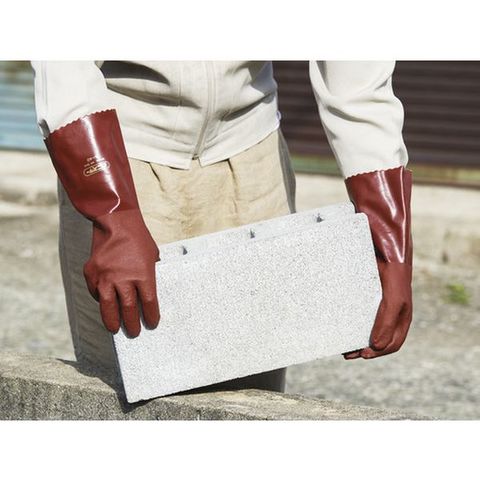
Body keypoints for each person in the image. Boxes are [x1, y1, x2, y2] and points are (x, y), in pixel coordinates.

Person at [31, 61, 413, 392]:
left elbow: (355, 70)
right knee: (129, 398)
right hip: (124, 157)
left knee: (250, 402)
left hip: (253, 154)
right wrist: (113, 213)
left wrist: (389, 235)